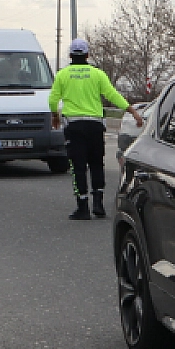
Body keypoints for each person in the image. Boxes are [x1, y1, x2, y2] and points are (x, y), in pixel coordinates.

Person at [48, 38, 143, 220]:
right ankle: (98, 203)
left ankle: (82, 207)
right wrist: (132, 112)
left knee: (78, 166)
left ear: (70, 55)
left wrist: (55, 115)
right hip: (95, 126)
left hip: (74, 126)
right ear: (87, 55)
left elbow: (53, 99)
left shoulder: (63, 75)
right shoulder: (97, 74)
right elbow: (112, 95)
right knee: (96, 164)